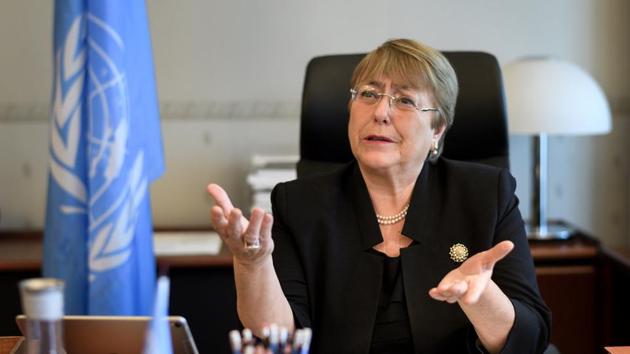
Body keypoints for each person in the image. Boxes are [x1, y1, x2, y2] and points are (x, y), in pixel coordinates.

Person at [207, 38, 551, 354]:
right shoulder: (299, 204)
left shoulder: (486, 194)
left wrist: (482, 298)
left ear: (438, 130)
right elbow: (277, 336)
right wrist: (253, 264)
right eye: (368, 94)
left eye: (404, 100)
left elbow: (531, 339)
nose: (380, 112)